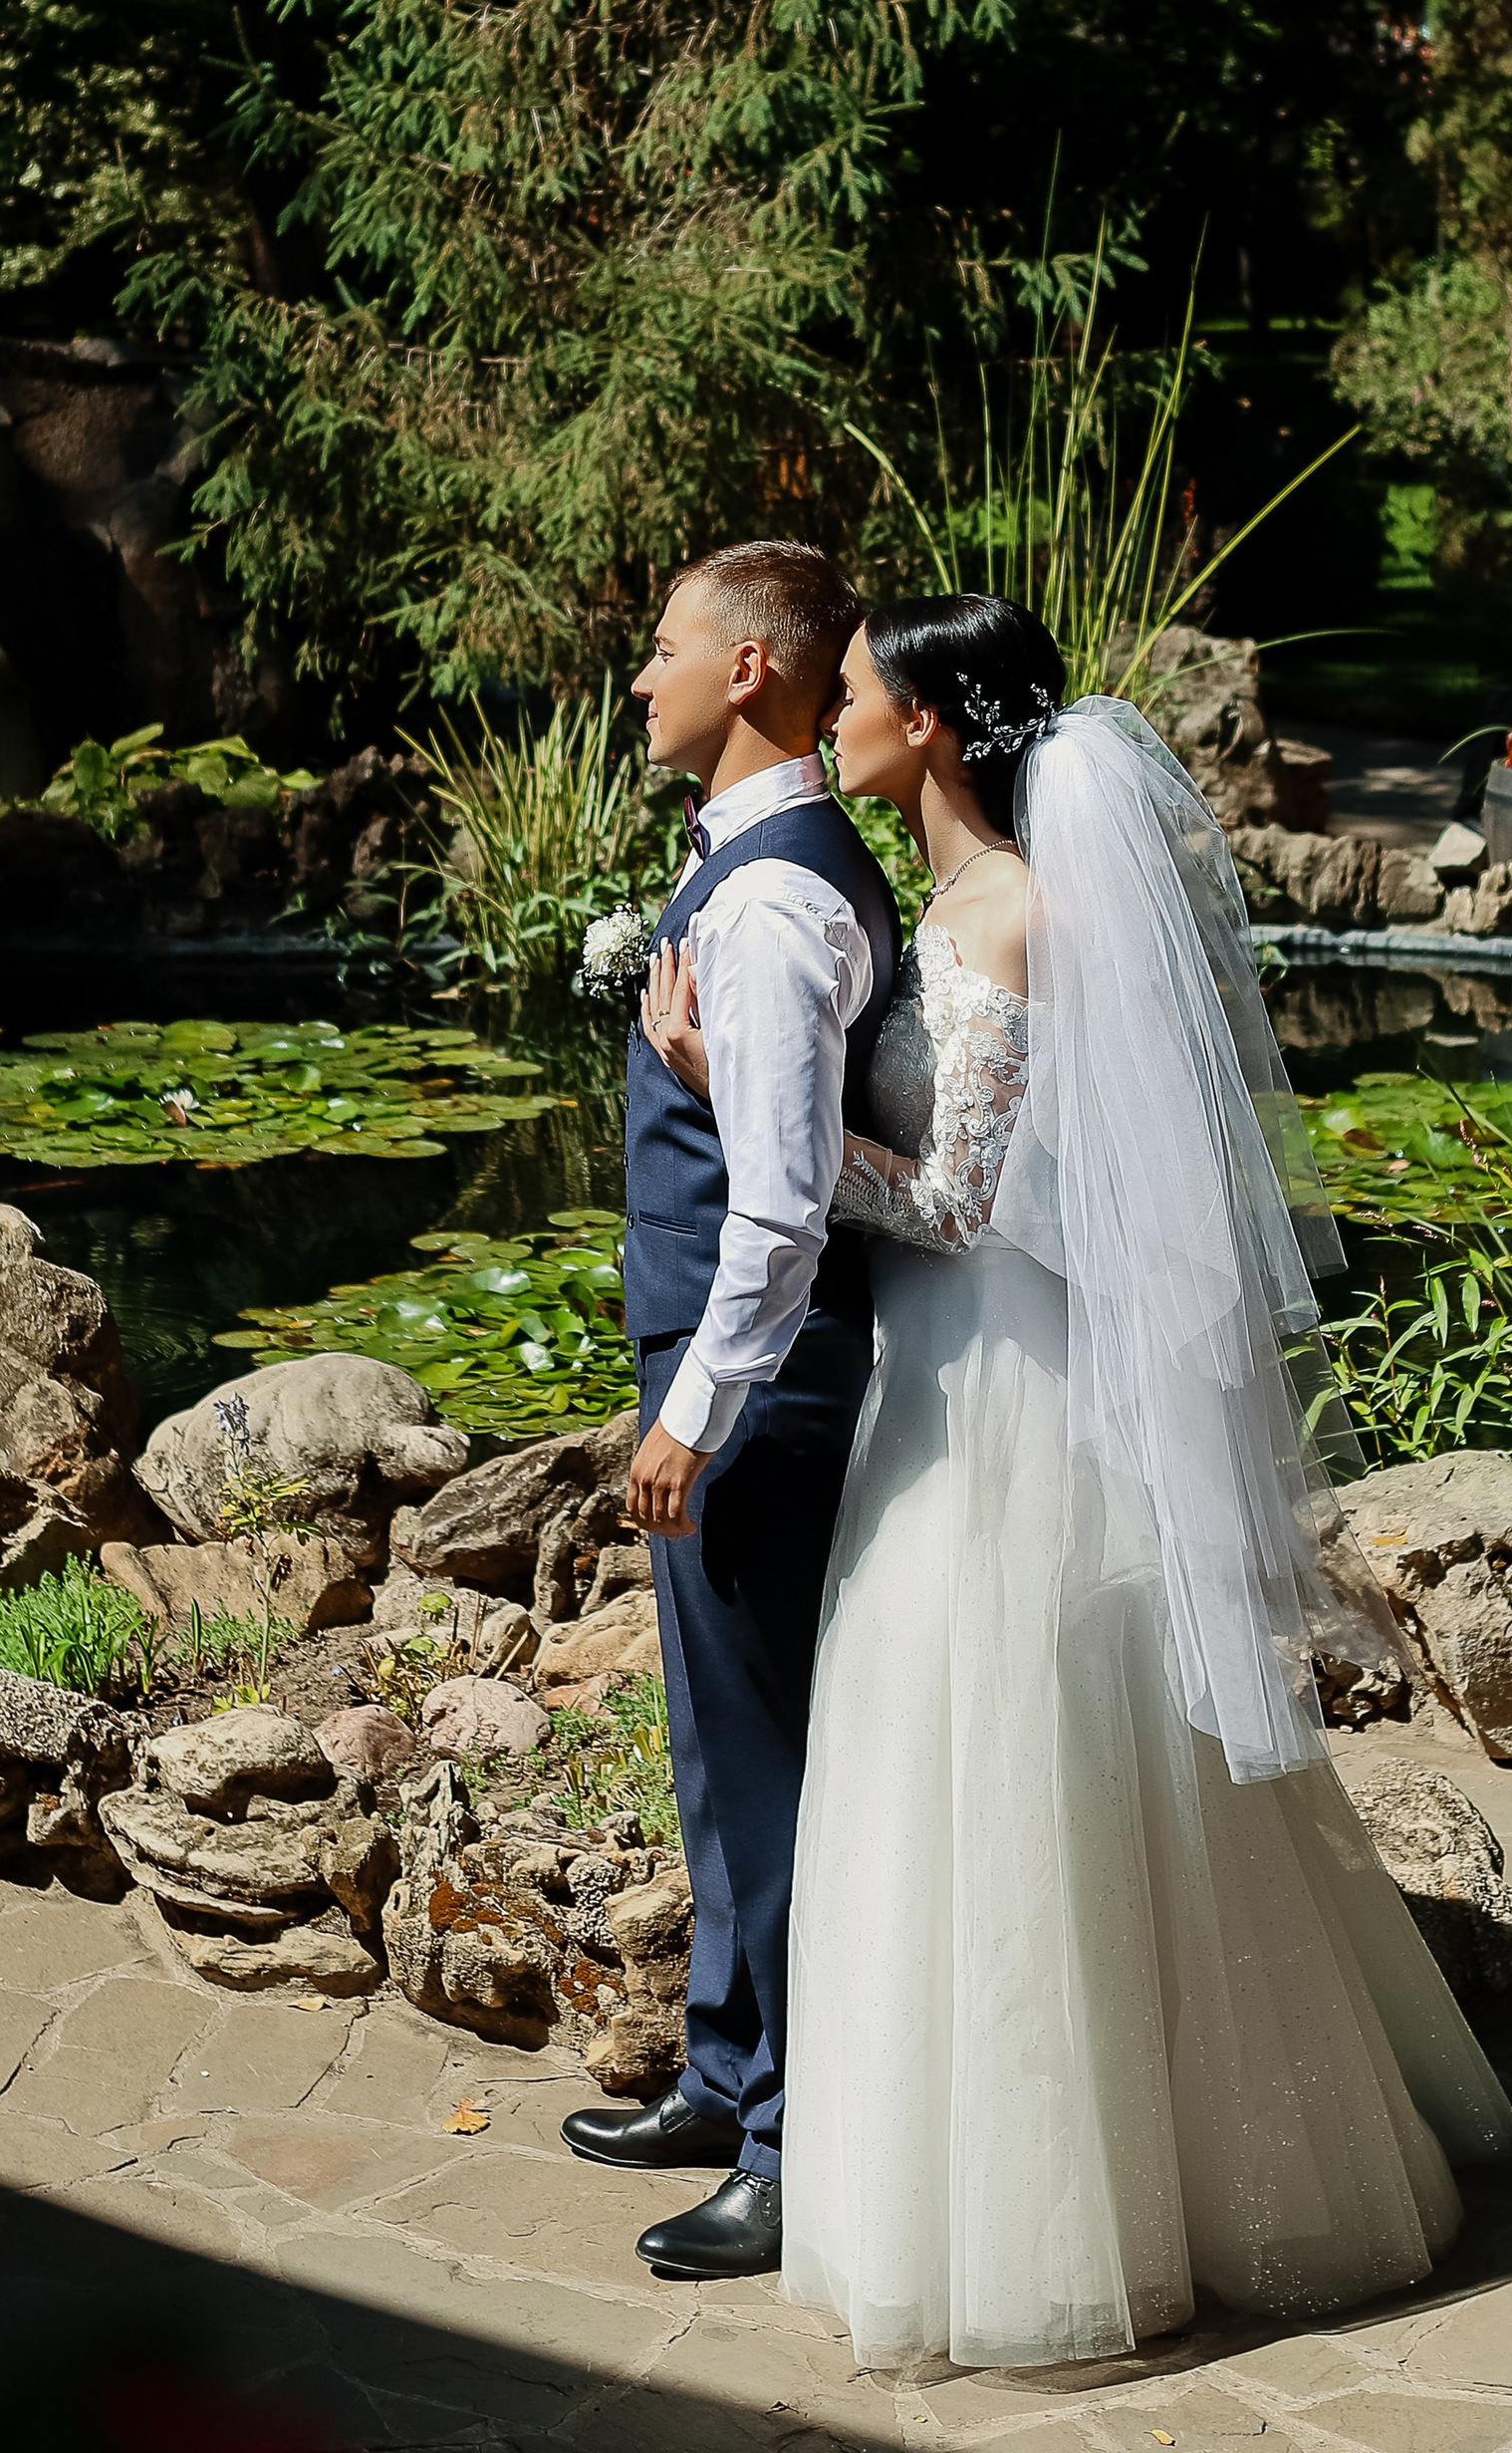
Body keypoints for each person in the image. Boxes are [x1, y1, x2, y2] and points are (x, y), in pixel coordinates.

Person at [640, 593, 1512, 2369]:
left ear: (929, 726)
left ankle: (1079, 2206)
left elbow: (959, 1202)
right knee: (931, 1765)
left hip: (1005, 1396)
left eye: (858, 693)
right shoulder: (937, 902)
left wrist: (738, 1092)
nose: (833, 716)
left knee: (1019, 1762)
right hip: (930, 1378)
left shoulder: (1015, 914)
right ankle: (918, 2162)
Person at [560, 540, 901, 2285]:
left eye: (666, 646)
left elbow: (778, 1209)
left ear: (752, 668)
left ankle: (789, 2149)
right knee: (712, 1743)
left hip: (752, 1382)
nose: (643, 677)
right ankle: (723, 2067)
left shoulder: (769, 903)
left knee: (765, 1771)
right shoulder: (749, 866)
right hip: (727, 1363)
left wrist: (692, 1413)